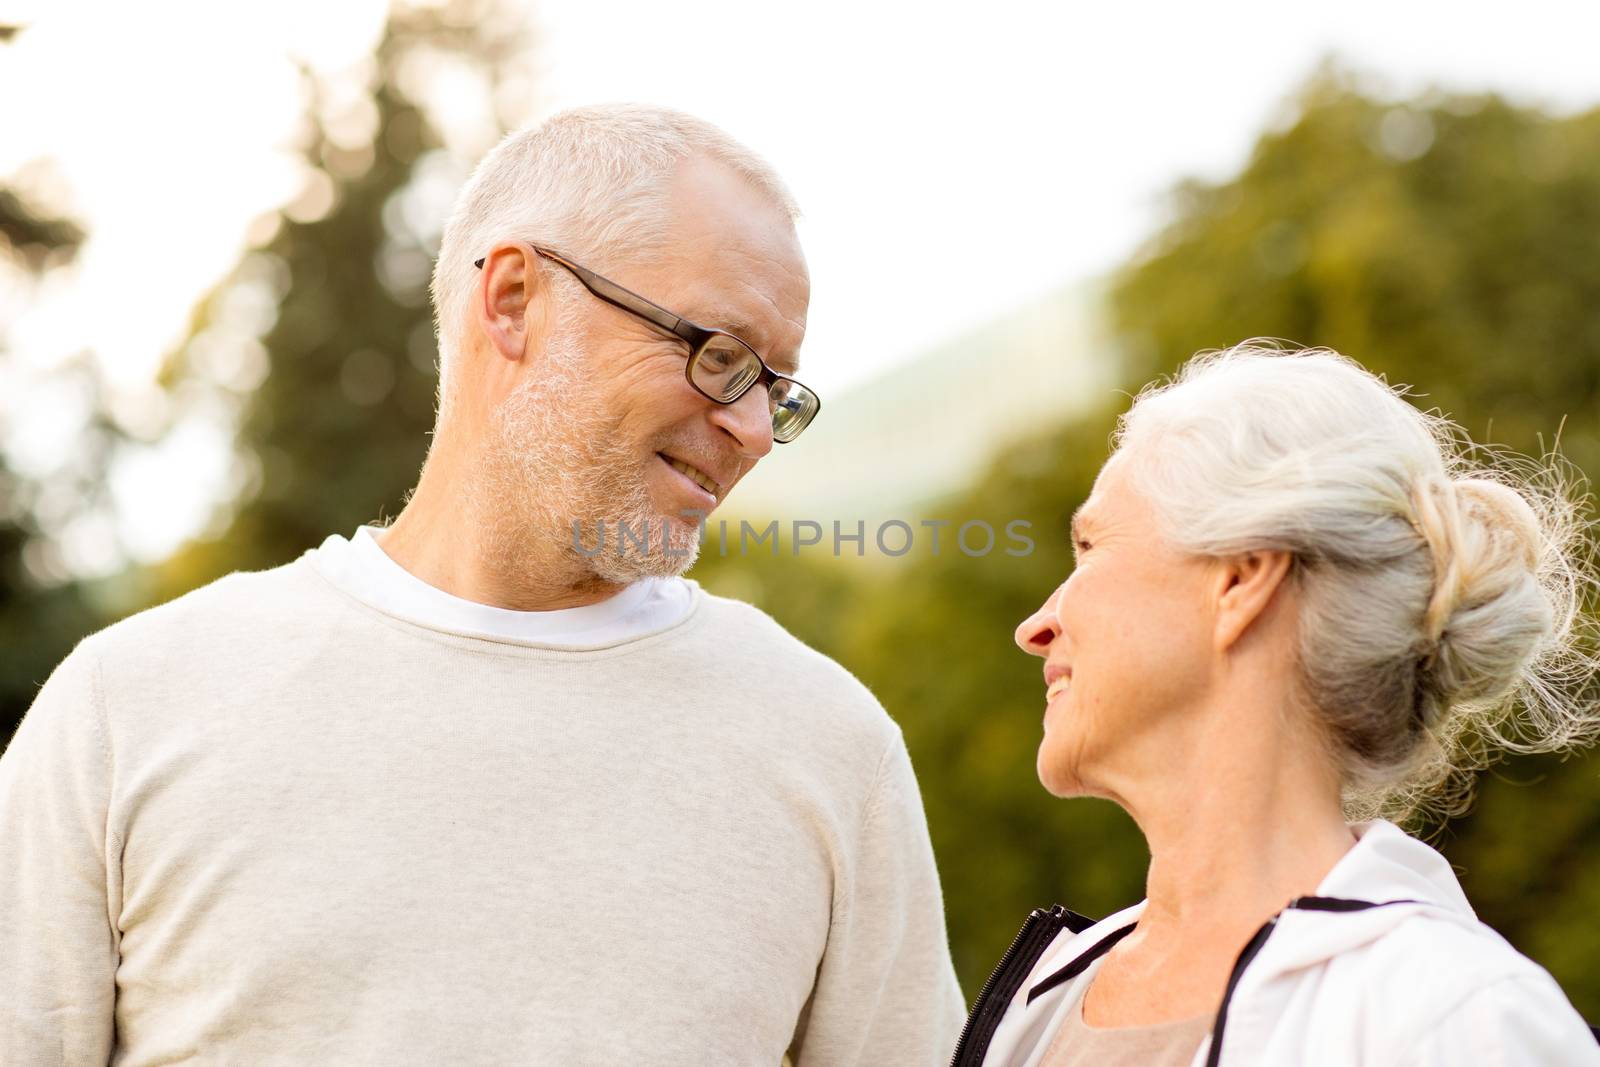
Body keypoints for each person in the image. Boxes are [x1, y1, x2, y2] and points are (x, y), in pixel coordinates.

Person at [0, 104, 965, 1065]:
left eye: (777, 389)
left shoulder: (833, 750)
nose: (754, 429)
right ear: (512, 300)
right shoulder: (123, 710)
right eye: (721, 357)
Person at [951, 343, 1600, 1066]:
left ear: (1241, 579)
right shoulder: (1041, 1006)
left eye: (1091, 548)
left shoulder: (1460, 1022)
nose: (1036, 626)